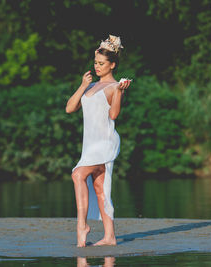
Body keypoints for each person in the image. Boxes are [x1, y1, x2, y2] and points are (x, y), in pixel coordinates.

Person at [65, 34, 131, 247]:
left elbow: (113, 116)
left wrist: (120, 92)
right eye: (95, 63)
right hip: (90, 145)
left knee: (77, 174)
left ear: (112, 65)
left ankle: (81, 225)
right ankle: (110, 237)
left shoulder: (113, 87)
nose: (97, 67)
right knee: (100, 188)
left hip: (106, 142)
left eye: (102, 64)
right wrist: (82, 85)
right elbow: (69, 108)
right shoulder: (90, 86)